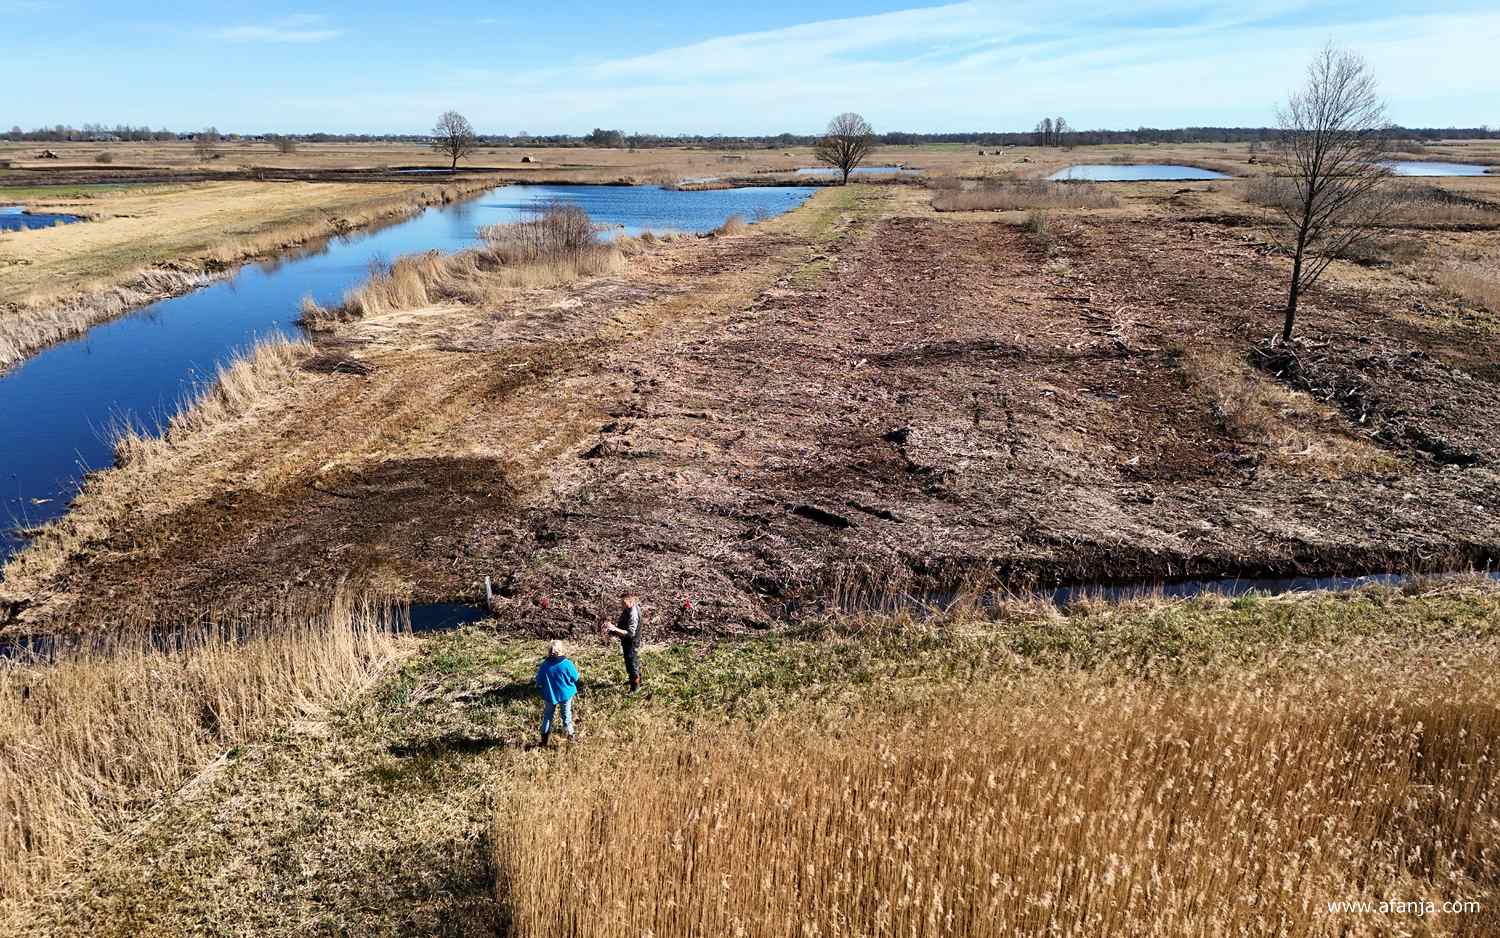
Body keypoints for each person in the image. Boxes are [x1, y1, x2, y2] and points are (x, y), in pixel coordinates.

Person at [534, 640, 578, 745]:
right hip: (565, 695)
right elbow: (575, 677)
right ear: (562, 650)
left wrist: (541, 688)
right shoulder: (567, 664)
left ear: (549, 652)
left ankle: (544, 741)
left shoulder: (545, 665)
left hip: (550, 695)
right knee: (566, 716)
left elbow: (539, 681)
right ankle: (571, 740)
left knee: (548, 716)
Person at [604, 590, 642, 692]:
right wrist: (613, 630)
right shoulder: (627, 609)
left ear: (631, 601)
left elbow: (630, 633)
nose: (622, 605)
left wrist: (615, 629)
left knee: (632, 663)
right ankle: (636, 679)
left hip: (631, 643)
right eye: (622, 603)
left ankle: (635, 687)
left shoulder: (633, 614)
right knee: (631, 661)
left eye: (624, 603)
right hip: (627, 642)